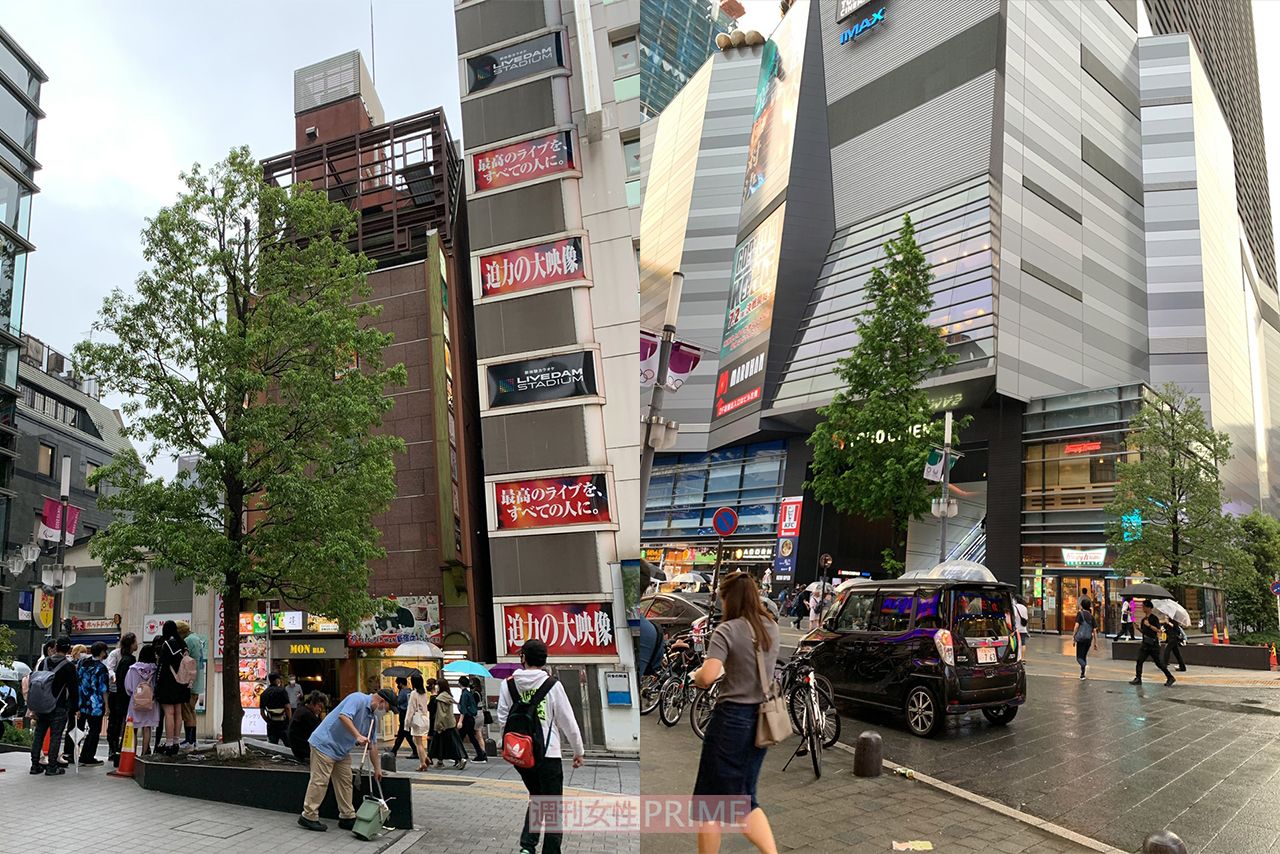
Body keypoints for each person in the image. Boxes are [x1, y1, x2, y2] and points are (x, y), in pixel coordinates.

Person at [689, 572, 779, 854]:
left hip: (731, 722)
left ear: (729, 599)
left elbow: (708, 676)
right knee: (745, 798)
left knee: (710, 804)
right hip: (762, 720)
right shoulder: (771, 627)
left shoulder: (726, 630)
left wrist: (697, 675)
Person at [498, 638, 585, 854]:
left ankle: (527, 847)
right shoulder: (553, 685)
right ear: (544, 659)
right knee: (552, 805)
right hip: (549, 754)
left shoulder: (508, 684)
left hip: (521, 754)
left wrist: (506, 746)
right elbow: (568, 721)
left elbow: (503, 719)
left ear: (523, 657)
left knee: (537, 797)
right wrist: (578, 751)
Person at [298, 687, 393, 833]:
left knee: (345, 782)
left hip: (341, 751)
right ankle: (308, 816)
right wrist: (357, 736)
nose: (385, 712)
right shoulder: (358, 698)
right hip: (324, 744)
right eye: (387, 708)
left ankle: (347, 816)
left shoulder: (372, 718)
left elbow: (372, 745)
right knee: (320, 781)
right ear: (382, 701)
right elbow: (344, 716)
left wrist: (377, 769)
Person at [29, 636, 79, 776]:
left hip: (41, 705)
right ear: (69, 649)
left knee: (39, 734)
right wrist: (75, 708)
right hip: (58, 706)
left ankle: (34, 765)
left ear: (56, 647)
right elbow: (74, 690)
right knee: (55, 736)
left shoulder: (43, 663)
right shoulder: (69, 666)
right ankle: (52, 767)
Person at [154, 620, 191, 755]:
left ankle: (169, 743)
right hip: (181, 682)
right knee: (178, 712)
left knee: (169, 714)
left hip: (168, 682)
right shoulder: (183, 644)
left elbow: (163, 666)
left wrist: (157, 685)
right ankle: (176, 742)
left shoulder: (167, 645)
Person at [75, 641, 110, 766]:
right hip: (96, 704)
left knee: (78, 728)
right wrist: (107, 705)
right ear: (101, 652)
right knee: (94, 730)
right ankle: (88, 756)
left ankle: (74, 754)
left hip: (81, 701)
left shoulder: (82, 663)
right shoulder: (101, 668)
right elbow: (104, 688)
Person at [107, 633, 137, 765]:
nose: (137, 644)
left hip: (119, 693)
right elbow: (110, 669)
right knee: (116, 722)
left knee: (118, 722)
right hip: (118, 693)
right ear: (130, 644)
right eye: (135, 642)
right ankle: (114, 749)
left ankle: (116, 750)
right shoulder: (121, 656)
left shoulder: (127, 658)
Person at [1130, 599, 1175, 687]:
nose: (1142, 608)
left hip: (1153, 645)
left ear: (1149, 608)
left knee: (1158, 663)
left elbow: (1158, 630)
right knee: (1139, 660)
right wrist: (1138, 629)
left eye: (1144, 606)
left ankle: (1170, 677)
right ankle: (1138, 678)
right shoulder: (1143, 620)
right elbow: (1144, 632)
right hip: (1145, 644)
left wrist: (1149, 625)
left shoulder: (1154, 618)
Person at [125, 644, 160, 756]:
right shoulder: (155, 669)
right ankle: (145, 753)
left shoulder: (133, 669)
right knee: (147, 727)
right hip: (150, 702)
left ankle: (133, 753)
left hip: (135, 702)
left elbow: (128, 687)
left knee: (133, 727)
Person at [176, 620, 205, 749]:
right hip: (197, 682)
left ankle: (189, 739)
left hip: (189, 682)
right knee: (192, 712)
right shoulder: (197, 639)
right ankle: (192, 740)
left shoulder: (188, 641)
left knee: (187, 712)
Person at [428, 675, 466, 769]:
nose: (435, 687)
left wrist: (439, 726)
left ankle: (460, 759)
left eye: (437, 685)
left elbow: (441, 714)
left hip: (442, 725)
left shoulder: (440, 698)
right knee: (448, 743)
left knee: (443, 743)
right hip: (450, 723)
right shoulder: (448, 696)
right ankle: (441, 761)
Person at [288, 690, 327, 765]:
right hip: (303, 749)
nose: (320, 710)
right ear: (312, 703)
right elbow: (320, 732)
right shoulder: (307, 715)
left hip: (297, 747)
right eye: (319, 706)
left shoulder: (301, 709)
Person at [457, 675, 487, 762]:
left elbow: (463, 708)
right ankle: (481, 754)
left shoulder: (466, 694)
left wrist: (460, 721)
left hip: (467, 718)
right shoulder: (470, 693)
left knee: (461, 737)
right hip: (472, 718)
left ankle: (459, 755)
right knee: (472, 737)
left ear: (460, 683)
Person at [406, 674, 432, 771]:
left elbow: (411, 709)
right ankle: (426, 758)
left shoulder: (414, 693)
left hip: (417, 719)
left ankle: (422, 763)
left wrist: (407, 723)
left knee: (419, 743)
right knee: (416, 740)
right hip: (425, 718)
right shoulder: (424, 693)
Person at [391, 675, 419, 760]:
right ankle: (394, 751)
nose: (397, 685)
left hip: (403, 714)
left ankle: (415, 751)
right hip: (409, 714)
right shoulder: (410, 691)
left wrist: (395, 695)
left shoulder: (402, 692)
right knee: (402, 734)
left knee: (405, 734)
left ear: (400, 683)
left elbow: (397, 702)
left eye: (398, 684)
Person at [260, 673, 292, 744]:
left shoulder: (264, 694)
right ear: (277, 680)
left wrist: (268, 721)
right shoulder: (282, 691)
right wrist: (289, 720)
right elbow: (287, 707)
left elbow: (262, 713)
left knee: (273, 747)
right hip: (283, 724)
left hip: (271, 726)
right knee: (289, 746)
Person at [1073, 599, 1098, 679]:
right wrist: (1095, 643)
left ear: (1082, 605)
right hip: (1088, 639)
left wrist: (1074, 636)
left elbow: (1076, 626)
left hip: (1081, 638)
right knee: (1084, 656)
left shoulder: (1080, 614)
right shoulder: (1091, 616)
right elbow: (1094, 630)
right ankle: (1082, 674)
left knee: (1079, 657)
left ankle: (1084, 666)